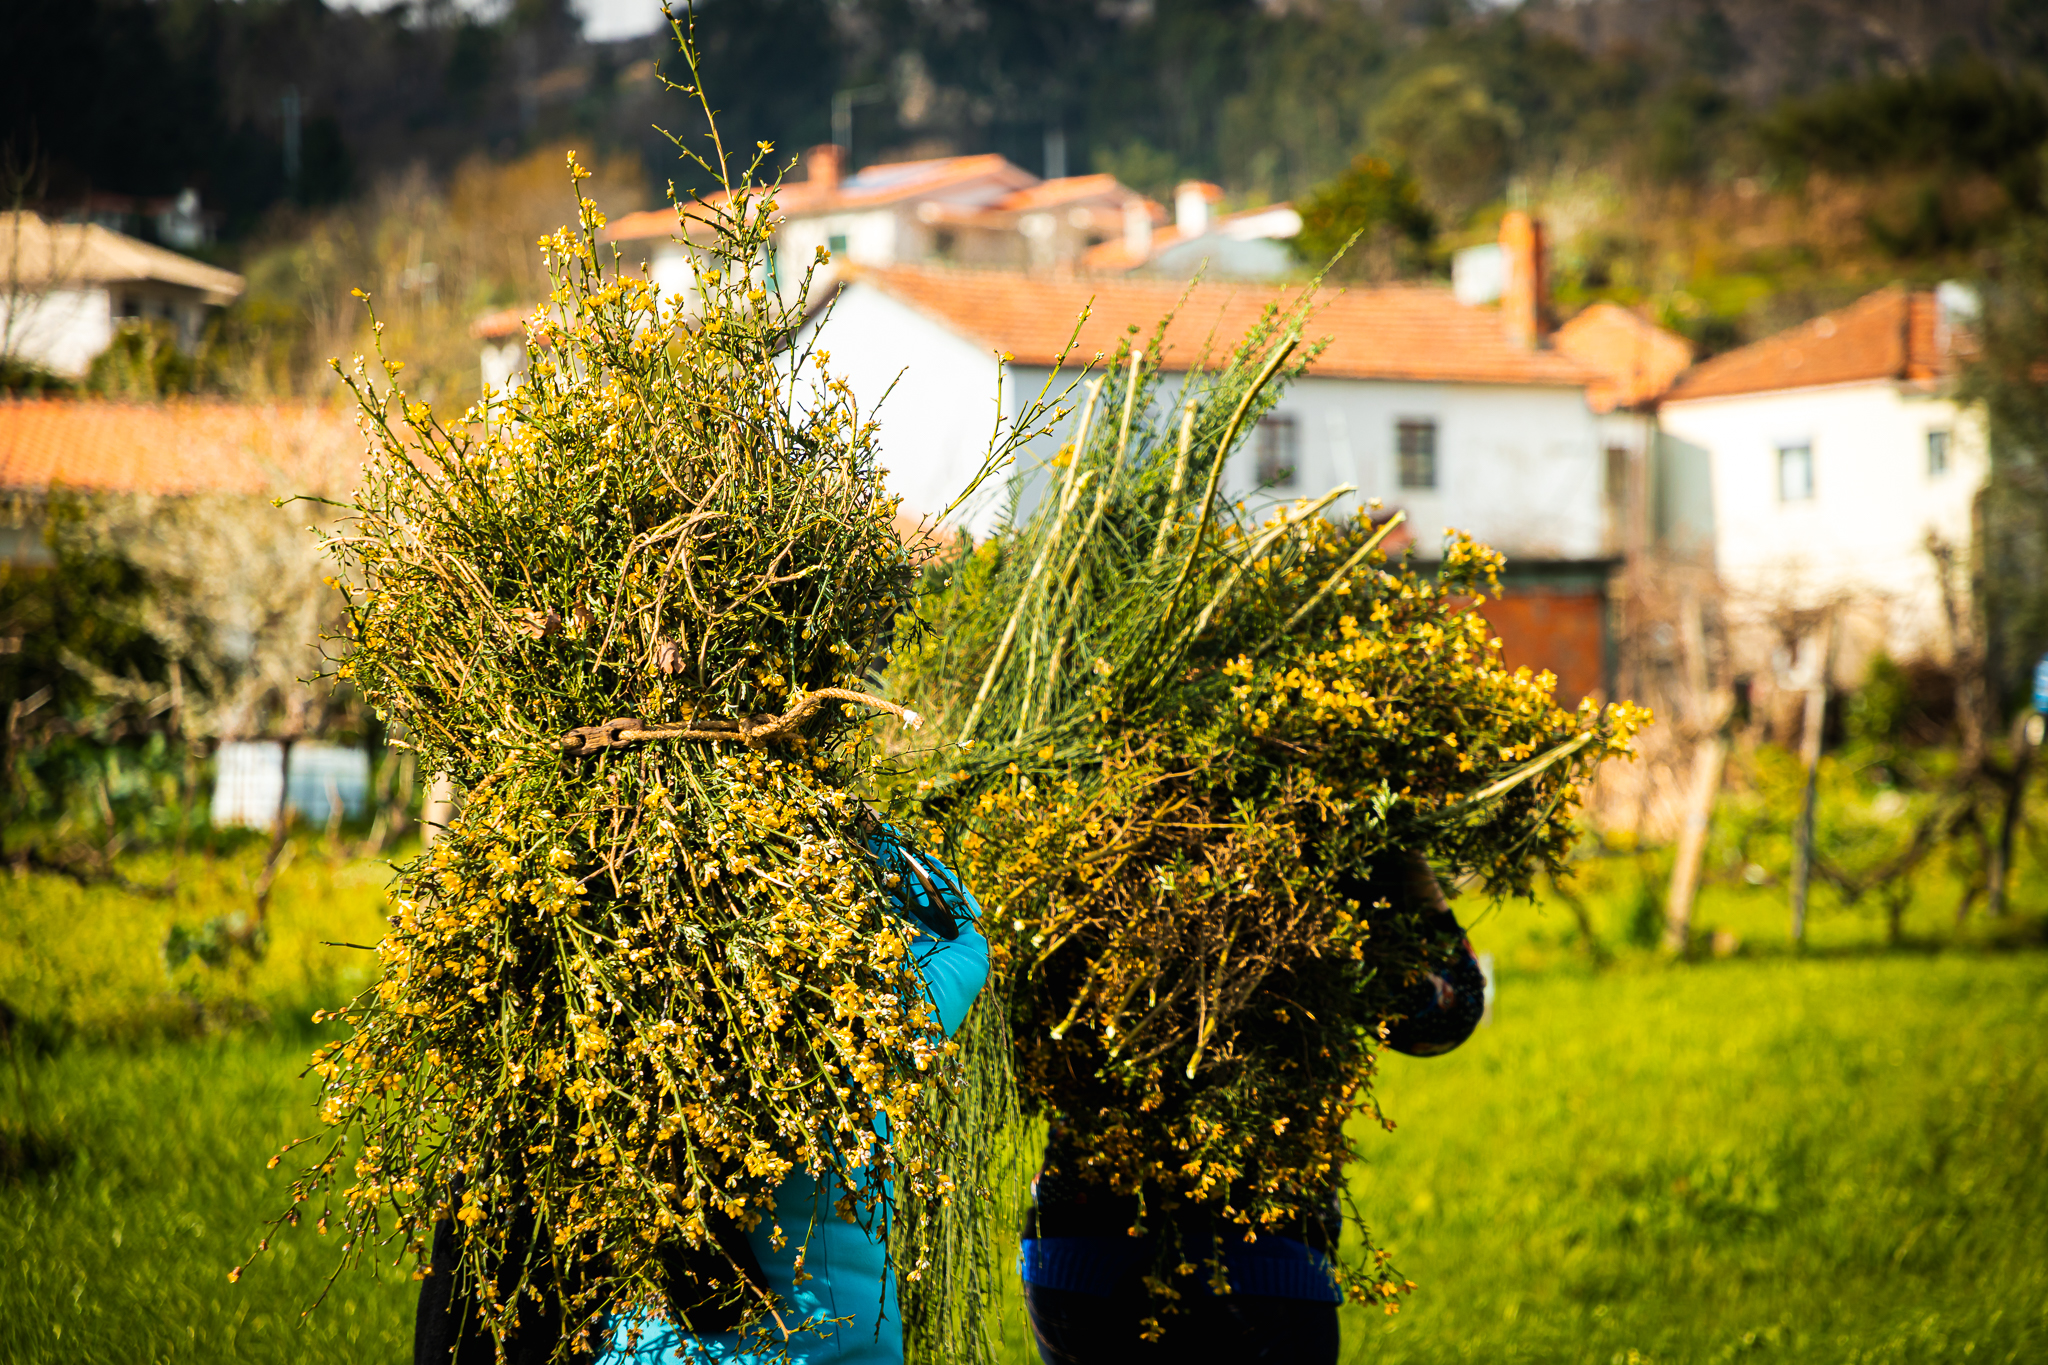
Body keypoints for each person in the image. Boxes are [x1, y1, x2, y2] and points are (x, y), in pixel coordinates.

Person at [414, 829, 988, 1365]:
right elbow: (958, 937)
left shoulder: (620, 947)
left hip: (668, 1343)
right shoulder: (883, 940)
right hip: (841, 1334)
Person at [1017, 852, 1485, 1365]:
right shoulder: (1320, 855)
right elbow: (1442, 1018)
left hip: (1081, 1244)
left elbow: (1010, 1011)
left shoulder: (1083, 836)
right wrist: (1403, 859)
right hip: (1258, 1254)